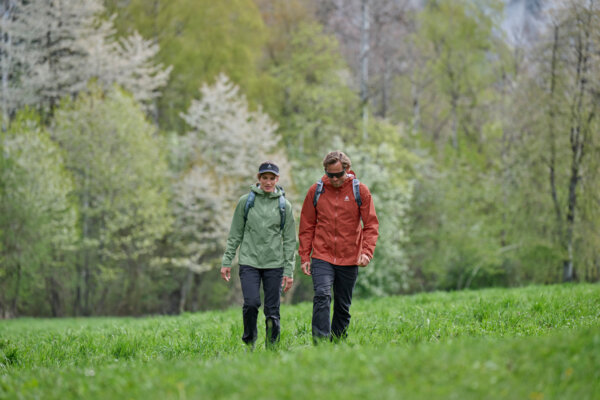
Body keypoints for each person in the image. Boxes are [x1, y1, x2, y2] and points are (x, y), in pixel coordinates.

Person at [298, 151, 379, 342]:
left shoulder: (361, 191)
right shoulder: (316, 191)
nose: (334, 179)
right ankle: (321, 343)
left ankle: (338, 343)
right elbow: (306, 225)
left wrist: (367, 252)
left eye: (338, 175)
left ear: (347, 170)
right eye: (330, 175)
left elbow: (371, 225)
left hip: (349, 256)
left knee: (342, 305)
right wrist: (304, 256)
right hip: (322, 255)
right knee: (322, 296)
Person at [221, 161, 296, 349]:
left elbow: (289, 240)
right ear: (259, 178)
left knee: (272, 311)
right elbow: (235, 234)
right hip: (249, 262)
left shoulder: (284, 206)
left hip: (275, 264)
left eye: (272, 178)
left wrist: (289, 270)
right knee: (252, 304)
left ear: (277, 179)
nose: (268, 182)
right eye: (265, 178)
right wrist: (227, 261)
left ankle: (272, 347)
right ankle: (249, 343)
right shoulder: (245, 202)